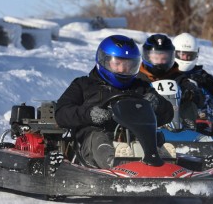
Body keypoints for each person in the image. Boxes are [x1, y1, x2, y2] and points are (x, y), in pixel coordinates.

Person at [55, 35, 174, 169]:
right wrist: (89, 114)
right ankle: (116, 165)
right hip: (91, 143)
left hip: (136, 137)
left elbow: (168, 114)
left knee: (156, 137)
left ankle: (165, 166)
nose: (123, 70)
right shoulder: (84, 85)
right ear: (104, 60)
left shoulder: (140, 87)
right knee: (99, 138)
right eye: (117, 64)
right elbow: (61, 113)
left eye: (128, 65)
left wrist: (157, 103)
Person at [137, 33, 205, 129]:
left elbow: (199, 98)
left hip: (178, 125)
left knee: (189, 103)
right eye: (156, 58)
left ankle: (188, 131)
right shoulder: (138, 78)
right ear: (147, 56)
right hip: (145, 127)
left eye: (164, 58)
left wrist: (190, 93)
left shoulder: (177, 76)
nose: (160, 62)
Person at [173, 33, 213, 121]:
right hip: (171, 117)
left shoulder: (201, 74)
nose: (185, 58)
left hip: (200, 120)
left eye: (189, 56)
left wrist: (204, 82)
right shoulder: (168, 73)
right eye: (182, 55)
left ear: (195, 55)